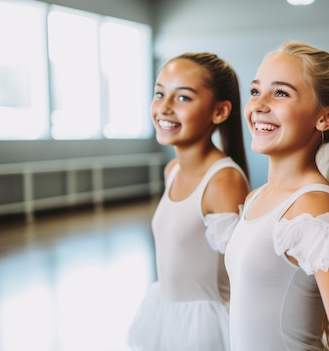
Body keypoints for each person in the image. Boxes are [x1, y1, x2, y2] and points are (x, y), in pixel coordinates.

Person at [224, 40, 329, 351]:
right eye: (255, 91)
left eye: (280, 93)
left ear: (325, 118)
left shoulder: (311, 206)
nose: (259, 104)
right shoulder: (256, 199)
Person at [127, 52, 251, 351]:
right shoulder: (173, 170)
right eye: (159, 94)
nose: (164, 108)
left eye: (183, 98)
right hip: (165, 311)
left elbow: (246, 272)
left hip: (205, 328)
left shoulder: (223, 181)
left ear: (220, 111)